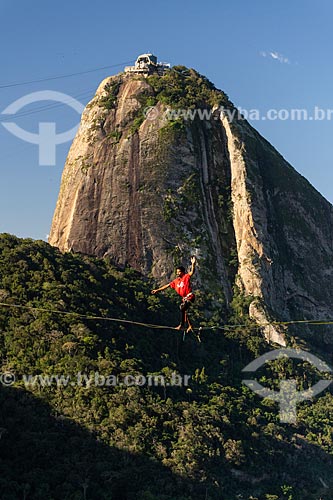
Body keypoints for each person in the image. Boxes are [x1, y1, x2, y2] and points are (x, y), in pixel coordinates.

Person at [151, 256, 196, 331]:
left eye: (179, 272)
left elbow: (192, 272)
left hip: (190, 296)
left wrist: (193, 264)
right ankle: (190, 325)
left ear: (182, 272)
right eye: (177, 272)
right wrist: (157, 290)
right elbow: (167, 285)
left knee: (183, 307)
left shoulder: (186, 277)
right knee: (184, 309)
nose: (177, 273)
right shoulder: (176, 281)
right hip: (185, 298)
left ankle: (182, 325)